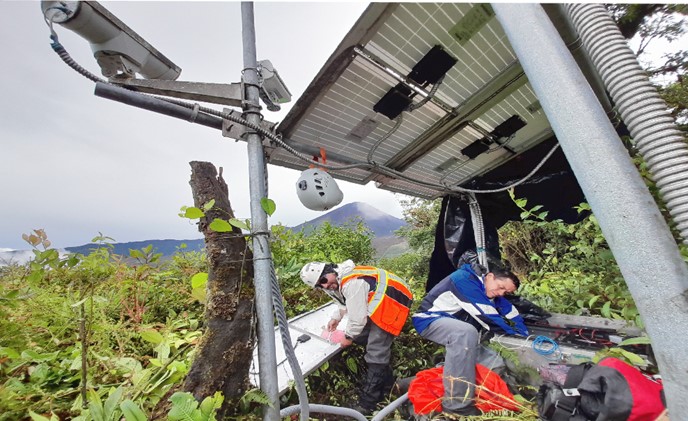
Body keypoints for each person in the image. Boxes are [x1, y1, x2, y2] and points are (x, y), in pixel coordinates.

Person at [411, 263, 528, 416]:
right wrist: (512, 333)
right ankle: (457, 404)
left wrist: (524, 336)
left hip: (455, 324)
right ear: (490, 276)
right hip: (429, 320)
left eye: (506, 292)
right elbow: (486, 315)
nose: (501, 293)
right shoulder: (464, 279)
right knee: (465, 333)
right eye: (501, 287)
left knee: (486, 360)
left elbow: (511, 312)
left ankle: (413, 383)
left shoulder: (490, 291)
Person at [300, 260, 414, 414]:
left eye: (323, 280)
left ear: (330, 271)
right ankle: (389, 386)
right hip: (380, 298)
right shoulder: (336, 282)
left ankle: (367, 404)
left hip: (393, 299)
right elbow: (343, 302)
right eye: (319, 286)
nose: (324, 286)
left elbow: (357, 318)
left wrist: (348, 337)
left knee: (375, 350)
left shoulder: (352, 283)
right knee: (366, 339)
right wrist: (336, 318)